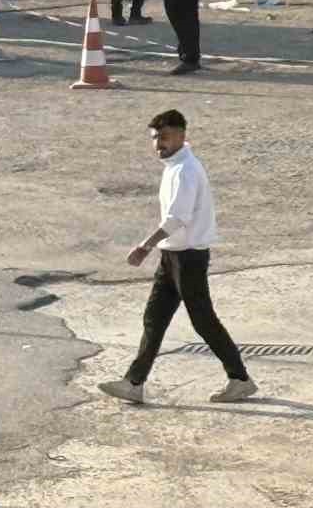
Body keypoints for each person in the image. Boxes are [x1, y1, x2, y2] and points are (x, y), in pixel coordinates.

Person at [97, 109, 257, 406]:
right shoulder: (174, 166)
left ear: (182, 135)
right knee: (154, 319)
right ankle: (133, 383)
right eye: (155, 138)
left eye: (165, 137)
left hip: (189, 258)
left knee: (204, 321)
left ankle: (240, 379)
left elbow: (177, 218)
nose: (159, 144)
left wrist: (145, 246)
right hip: (172, 256)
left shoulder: (186, 170)